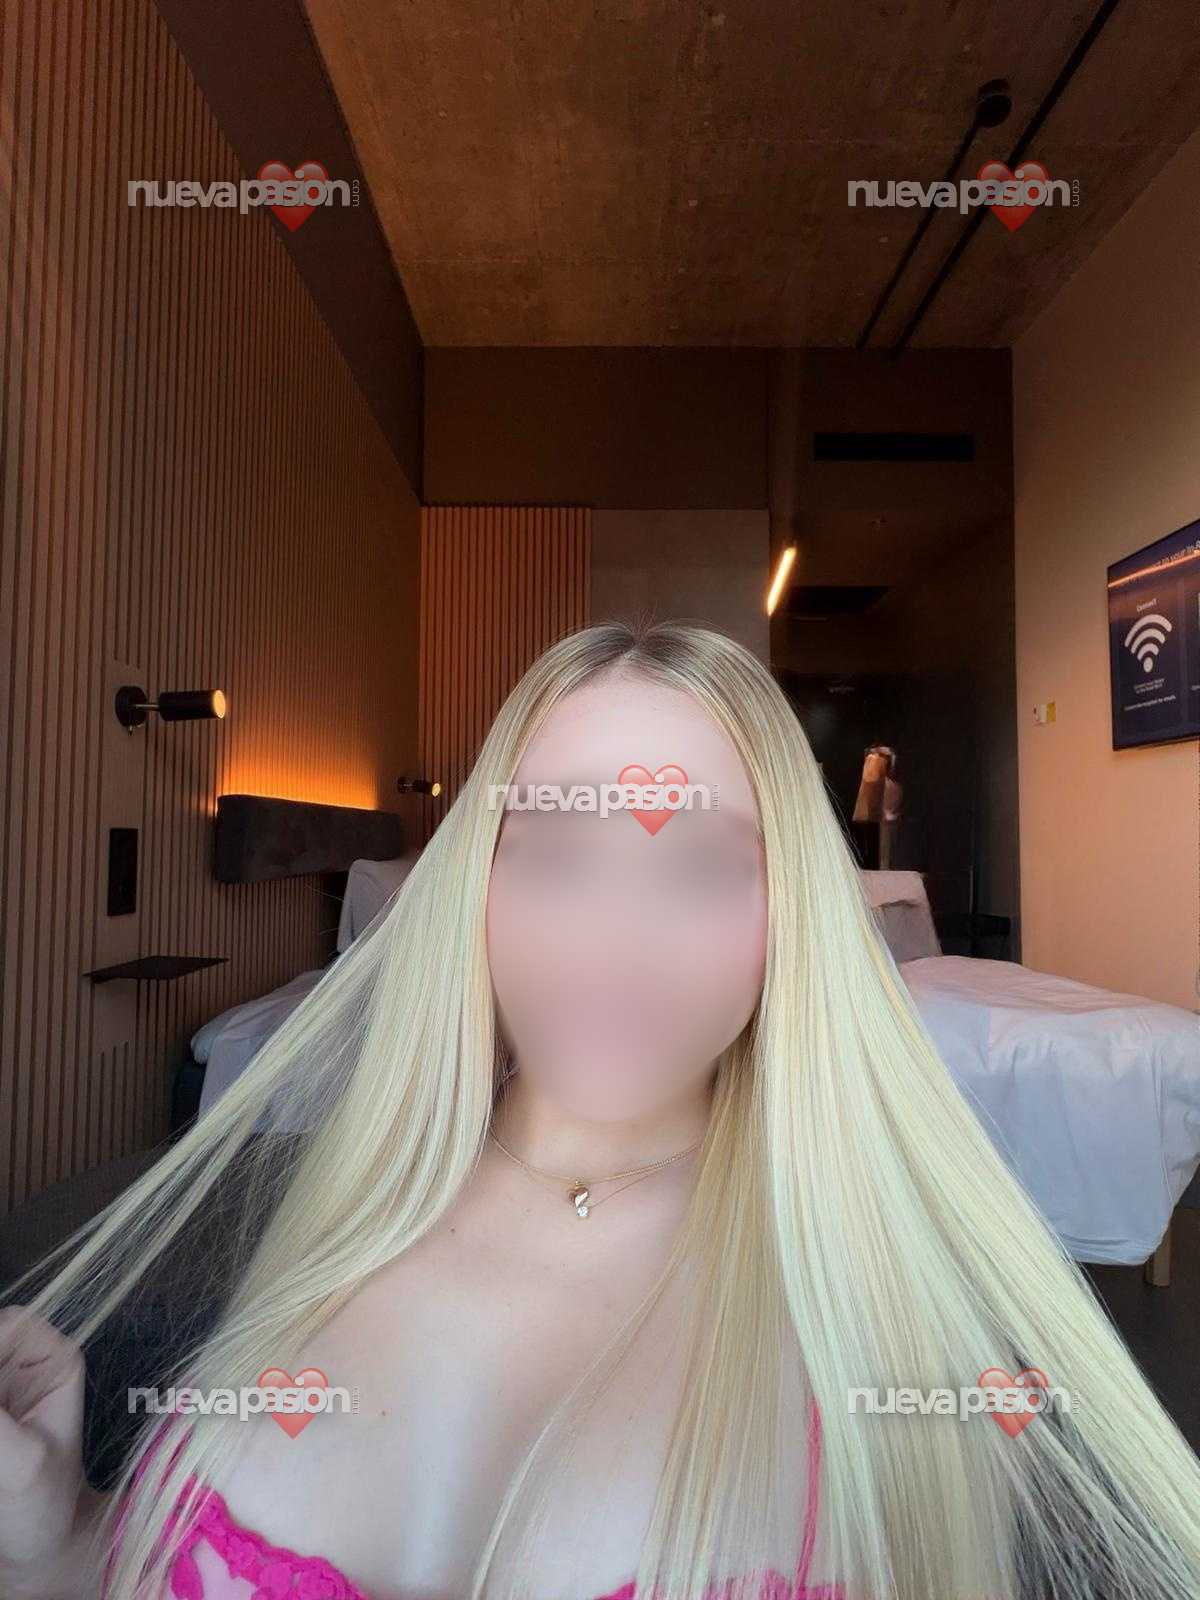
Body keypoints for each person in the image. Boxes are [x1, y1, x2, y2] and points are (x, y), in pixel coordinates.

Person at [1, 619, 1199, 1600]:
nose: (616, 944)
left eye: (703, 866)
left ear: (792, 910)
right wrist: (60, 1544)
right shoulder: (311, 1210)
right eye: (556, 854)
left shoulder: (880, 1309)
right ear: (475, 883)